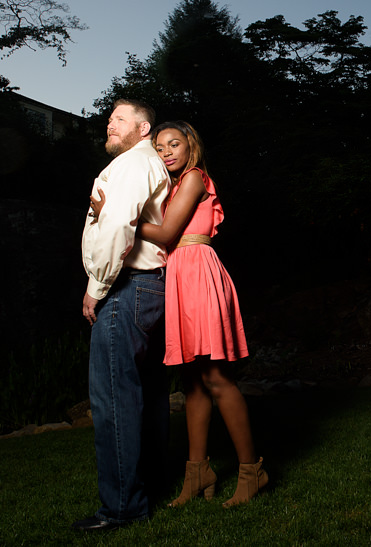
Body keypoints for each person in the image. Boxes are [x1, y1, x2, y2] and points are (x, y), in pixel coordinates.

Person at [91, 120, 267, 509]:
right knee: (191, 384)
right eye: (161, 146)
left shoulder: (194, 178)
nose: (167, 151)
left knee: (217, 378)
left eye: (175, 143)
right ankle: (197, 472)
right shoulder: (169, 187)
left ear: (191, 146)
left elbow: (168, 234)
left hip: (198, 271)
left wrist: (115, 216)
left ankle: (252, 470)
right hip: (178, 277)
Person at [73, 100, 171, 533]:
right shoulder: (143, 163)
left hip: (126, 287)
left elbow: (116, 227)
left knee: (113, 399)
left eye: (118, 119)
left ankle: (122, 508)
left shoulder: (133, 163)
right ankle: (149, 490)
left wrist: (96, 286)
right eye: (109, 119)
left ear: (142, 127)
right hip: (146, 288)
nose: (108, 124)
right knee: (145, 398)